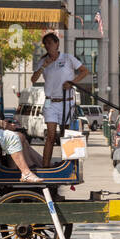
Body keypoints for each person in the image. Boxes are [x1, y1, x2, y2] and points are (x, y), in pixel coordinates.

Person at [30, 32, 89, 165]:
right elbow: (33, 79)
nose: (48, 46)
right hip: (51, 102)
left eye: (50, 43)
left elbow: (85, 71)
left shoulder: (68, 58)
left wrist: (72, 82)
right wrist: (44, 65)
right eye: (46, 44)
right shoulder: (43, 61)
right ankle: (45, 166)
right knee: (51, 135)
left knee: (67, 135)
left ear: (57, 43)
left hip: (67, 102)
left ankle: (68, 165)